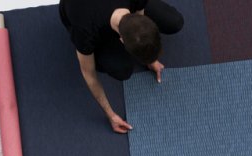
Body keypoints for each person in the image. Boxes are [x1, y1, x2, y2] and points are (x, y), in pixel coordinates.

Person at [59, 0, 184, 133]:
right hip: (77, 11)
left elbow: (140, 17)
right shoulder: (85, 29)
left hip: (113, 12)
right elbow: (88, 74)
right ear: (121, 40)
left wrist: (150, 57)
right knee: (122, 70)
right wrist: (111, 115)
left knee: (175, 22)